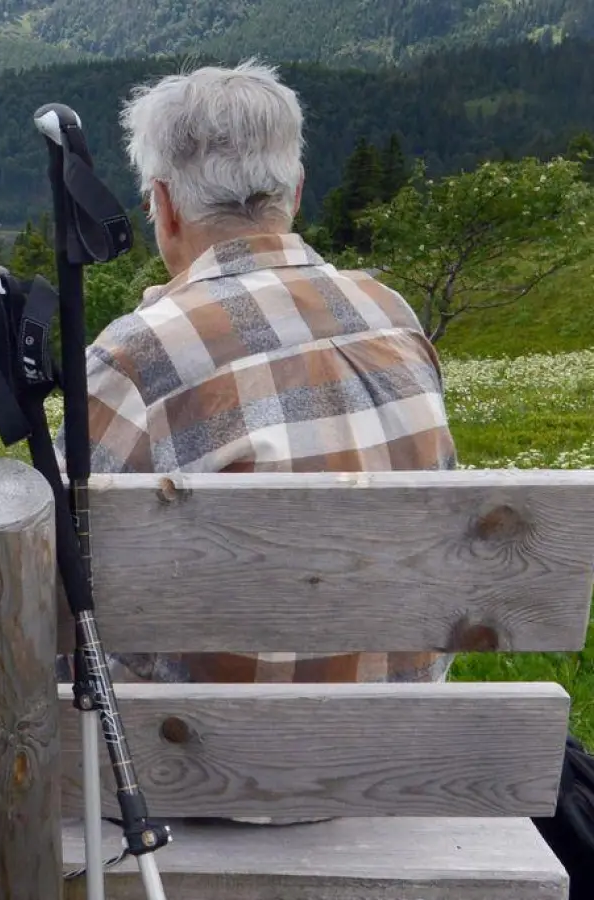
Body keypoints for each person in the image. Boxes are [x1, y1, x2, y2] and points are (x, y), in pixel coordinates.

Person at [79, 60, 459, 690]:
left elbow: (67, 582)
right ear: (297, 192)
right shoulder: (394, 318)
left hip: (205, 767)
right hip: (409, 753)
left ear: (164, 205)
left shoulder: (136, 357)